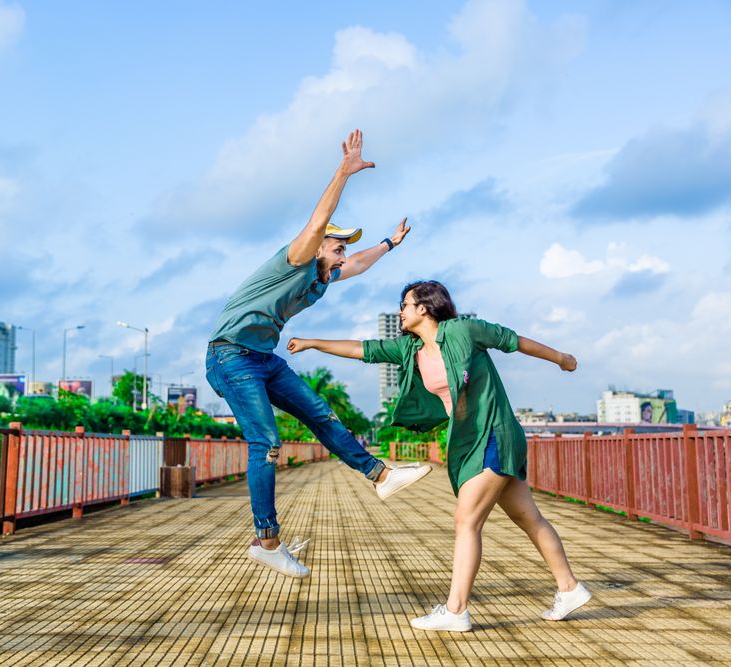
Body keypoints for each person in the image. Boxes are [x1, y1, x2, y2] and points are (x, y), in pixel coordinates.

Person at [287, 280, 591, 628]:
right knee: (528, 518)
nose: (400, 311)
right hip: (466, 441)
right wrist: (313, 343)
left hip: (494, 434)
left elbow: (515, 341)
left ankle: (457, 610)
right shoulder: (409, 349)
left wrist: (562, 359)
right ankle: (569, 588)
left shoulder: (464, 330)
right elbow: (363, 349)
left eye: (405, 304)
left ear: (424, 308)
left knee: (466, 520)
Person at [206, 130, 431, 579]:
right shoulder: (298, 259)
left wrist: (390, 243)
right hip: (230, 357)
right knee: (267, 443)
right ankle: (266, 540)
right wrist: (343, 172)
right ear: (320, 245)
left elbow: (361, 263)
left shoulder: (323, 278)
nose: (343, 251)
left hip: (263, 359)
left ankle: (381, 477)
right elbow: (317, 222)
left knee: (322, 415)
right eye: (338, 245)